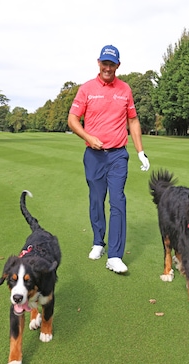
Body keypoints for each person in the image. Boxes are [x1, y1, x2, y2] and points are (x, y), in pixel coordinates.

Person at [68, 45, 150, 274]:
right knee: (96, 200)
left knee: (118, 201)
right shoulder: (86, 89)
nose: (107, 67)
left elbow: (133, 120)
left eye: (111, 64)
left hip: (117, 155)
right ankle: (98, 242)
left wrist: (140, 151)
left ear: (117, 66)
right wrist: (87, 136)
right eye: (104, 63)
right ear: (98, 63)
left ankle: (115, 255)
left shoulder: (125, 90)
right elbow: (73, 119)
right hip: (93, 155)